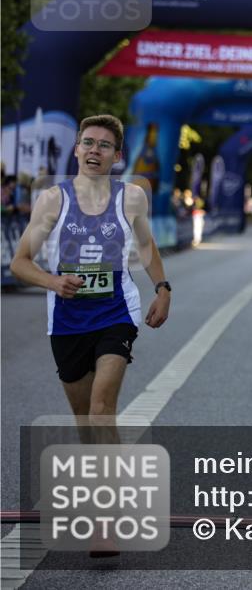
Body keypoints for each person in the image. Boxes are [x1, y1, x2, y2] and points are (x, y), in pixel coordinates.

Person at [10, 114, 171, 450]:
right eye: (88, 143)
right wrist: (53, 282)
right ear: (77, 149)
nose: (95, 150)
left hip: (116, 313)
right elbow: (20, 262)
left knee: (101, 411)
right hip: (67, 320)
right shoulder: (53, 200)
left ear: (117, 156)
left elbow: (145, 246)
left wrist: (162, 288)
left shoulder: (132, 197)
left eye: (104, 145)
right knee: (85, 419)